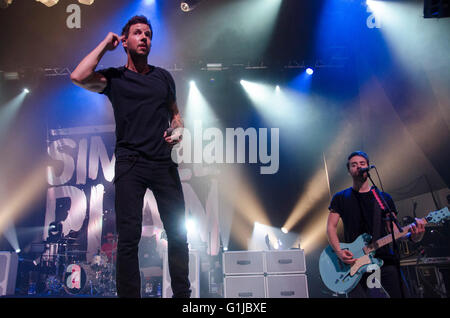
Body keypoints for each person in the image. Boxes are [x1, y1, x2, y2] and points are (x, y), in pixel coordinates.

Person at [70, 15, 190, 298]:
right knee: (128, 239)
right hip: (130, 163)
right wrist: (104, 44)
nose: (144, 37)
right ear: (125, 41)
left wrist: (179, 131)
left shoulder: (163, 77)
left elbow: (176, 115)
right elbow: (78, 76)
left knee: (178, 233)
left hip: (162, 162)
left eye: (148, 34)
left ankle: (183, 295)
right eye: (137, 33)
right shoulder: (115, 78)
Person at [326, 151, 425, 298]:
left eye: (362, 164)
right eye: (354, 165)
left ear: (368, 167)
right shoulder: (340, 198)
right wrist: (340, 252)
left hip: (384, 260)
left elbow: (393, 232)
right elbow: (330, 227)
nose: (358, 167)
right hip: (354, 262)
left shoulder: (383, 198)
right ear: (349, 171)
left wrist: (415, 236)